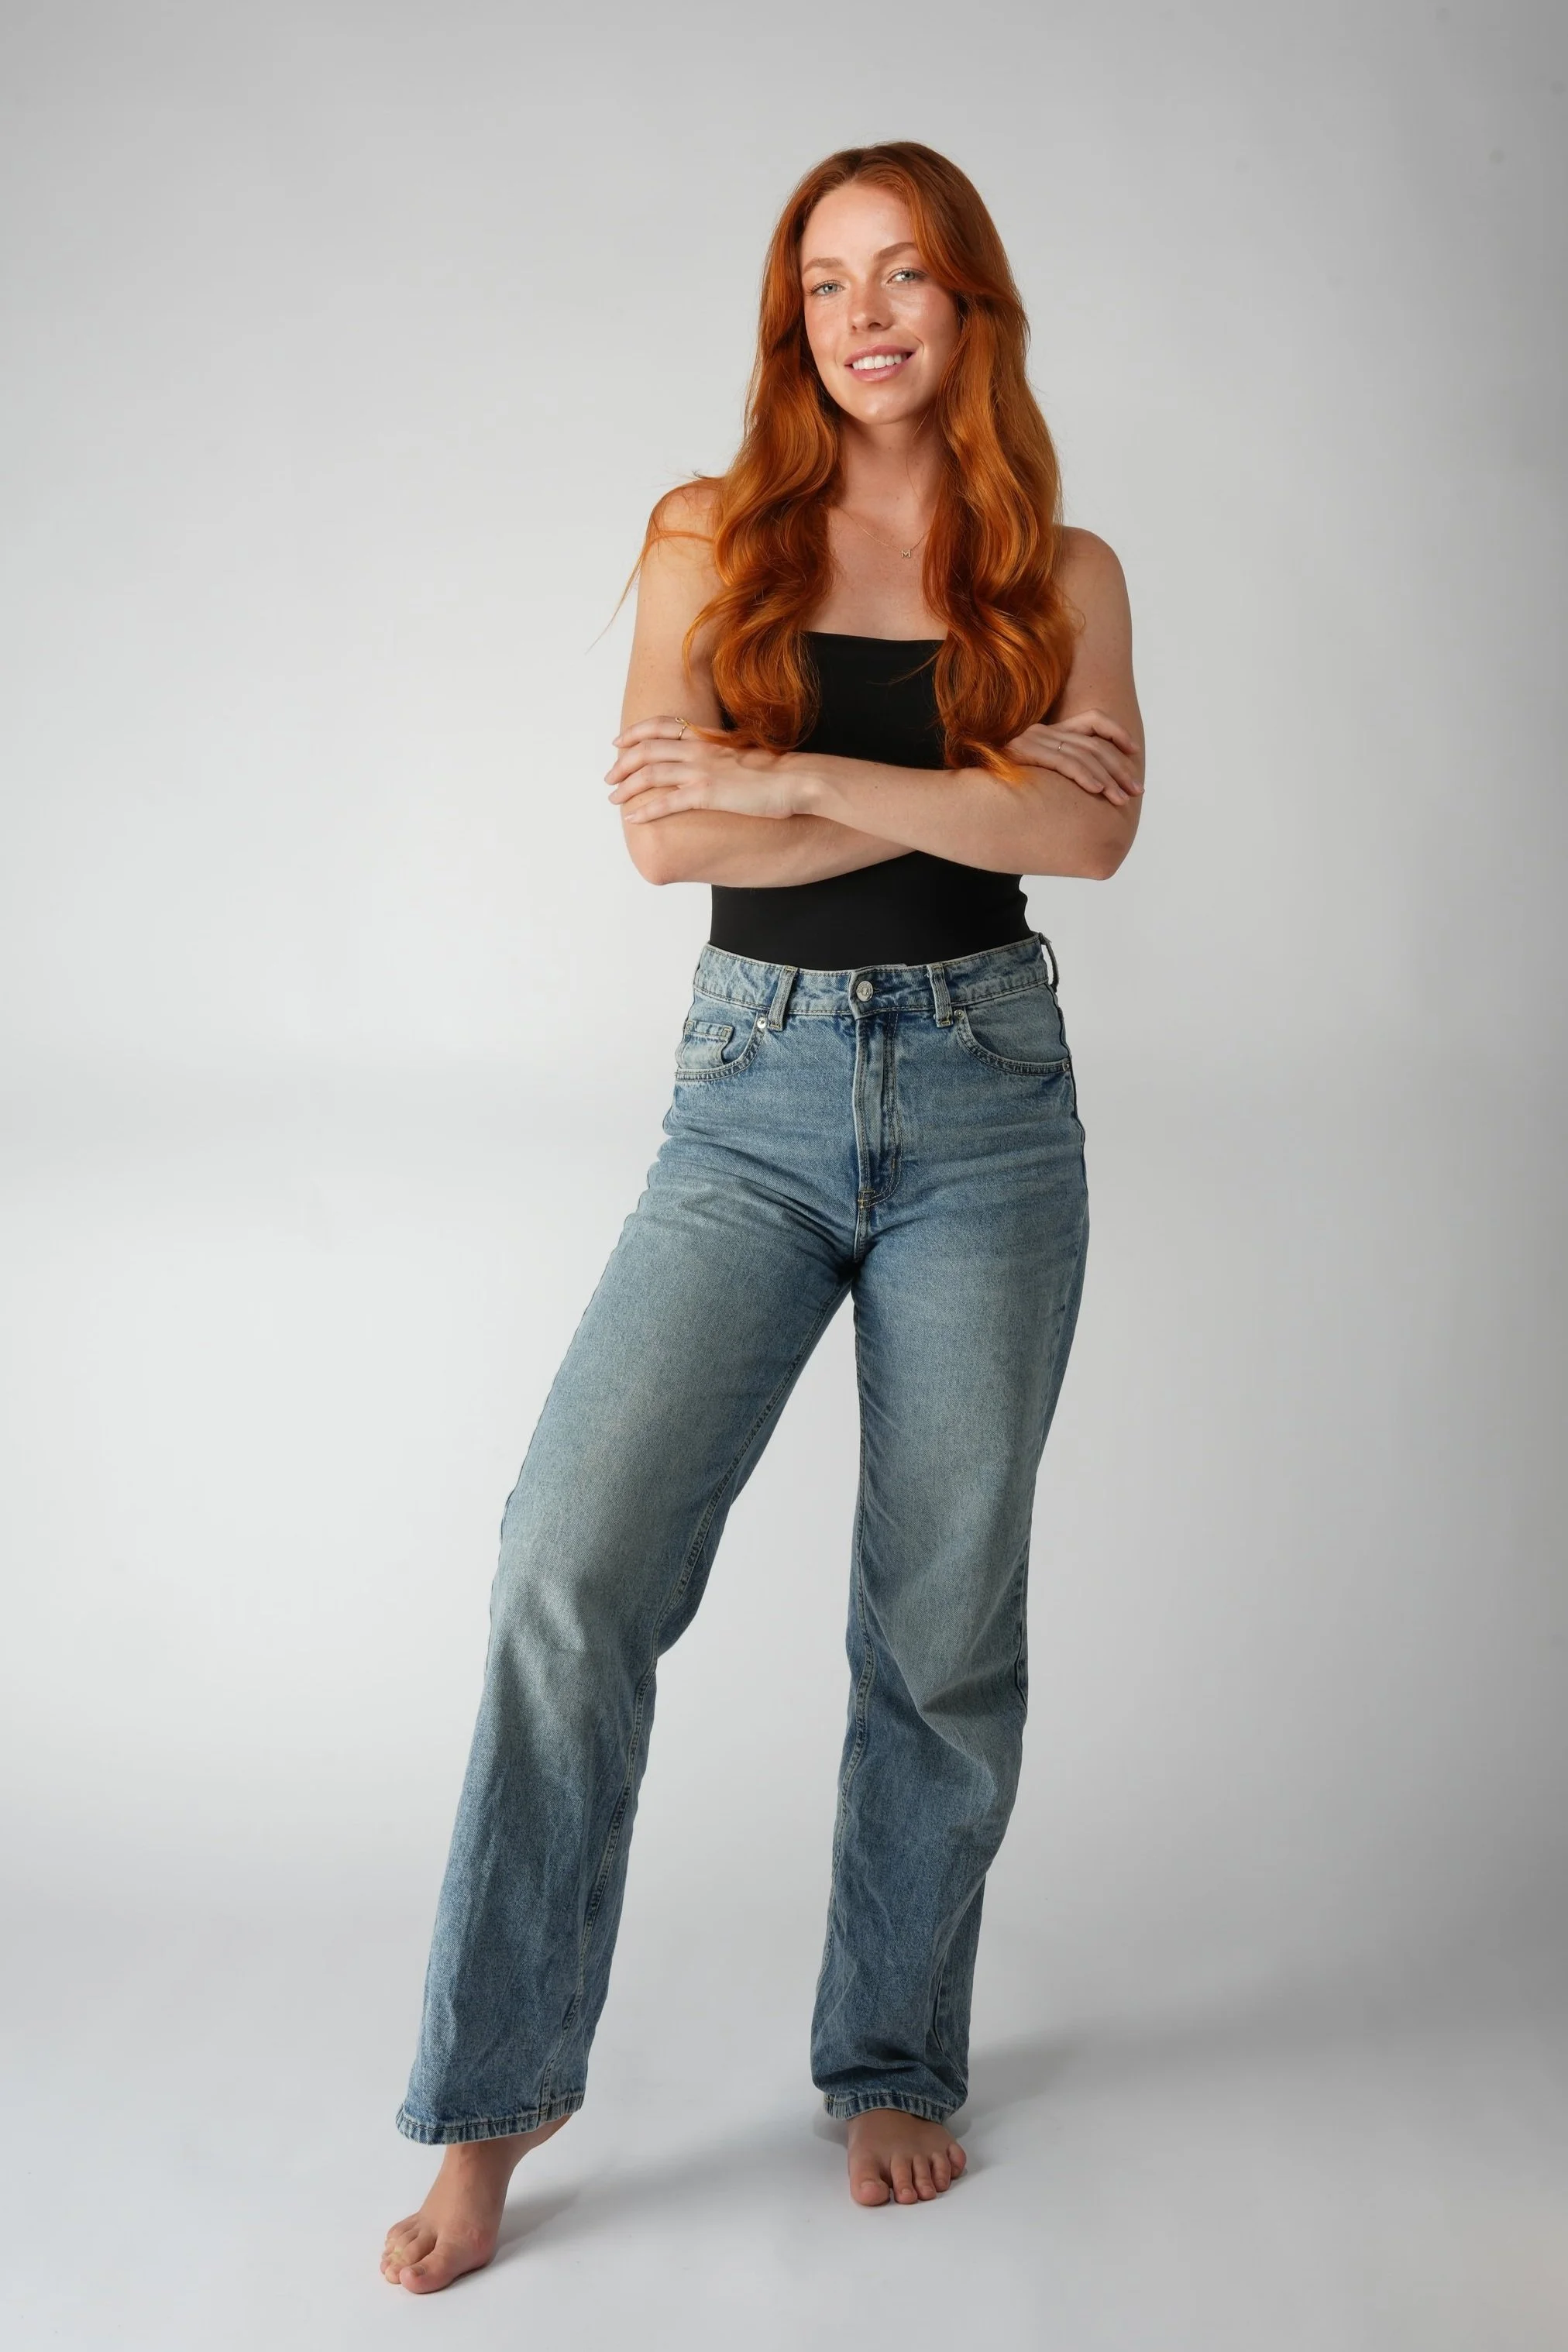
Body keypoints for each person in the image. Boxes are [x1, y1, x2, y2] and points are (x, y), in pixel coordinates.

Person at [382, 138, 1143, 2294]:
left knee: (939, 1622)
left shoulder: (1065, 571)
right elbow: (662, 837)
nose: (868, 312)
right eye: (827, 283)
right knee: (570, 1555)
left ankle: (890, 2050)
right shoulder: (708, 533)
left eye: (907, 274)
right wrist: (933, 794)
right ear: (790, 322)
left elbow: (1080, 852)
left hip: (995, 1105)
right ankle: (492, 2107)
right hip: (753, 1099)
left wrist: (795, 774)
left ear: (971, 304)